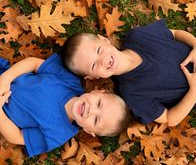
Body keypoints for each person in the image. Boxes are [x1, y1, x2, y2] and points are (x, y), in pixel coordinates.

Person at [61, 19, 196, 127]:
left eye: (98, 50)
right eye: (93, 65)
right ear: (93, 77)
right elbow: (169, 118)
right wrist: (195, 90)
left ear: (103, 39)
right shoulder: (131, 94)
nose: (103, 59)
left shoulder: (137, 36)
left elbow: (173, 34)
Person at [0, 54, 130, 157]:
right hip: (6, 74)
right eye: (99, 103)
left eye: (96, 120)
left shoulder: (57, 135)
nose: (91, 110)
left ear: (89, 131)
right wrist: (5, 79)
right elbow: (34, 63)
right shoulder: (69, 80)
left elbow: (17, 136)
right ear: (96, 92)